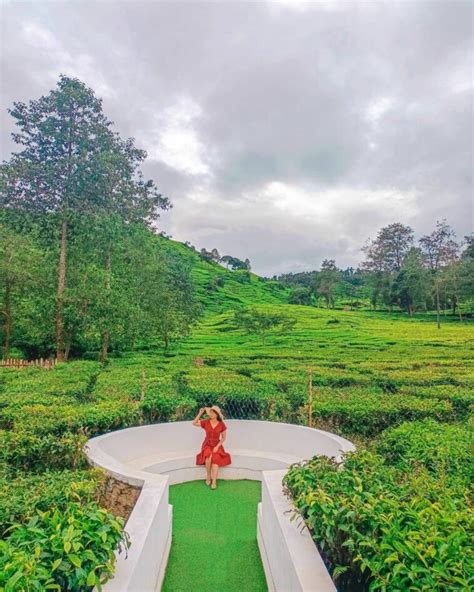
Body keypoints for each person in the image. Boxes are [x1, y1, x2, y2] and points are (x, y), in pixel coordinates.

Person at [193, 405, 231, 489]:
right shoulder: (206, 422)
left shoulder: (221, 424)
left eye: (213, 413)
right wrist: (200, 413)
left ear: (217, 414)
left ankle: (214, 481)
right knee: (208, 456)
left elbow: (224, 438)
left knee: (216, 459)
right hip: (207, 444)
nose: (211, 414)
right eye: (210, 412)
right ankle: (208, 476)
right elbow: (194, 423)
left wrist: (217, 446)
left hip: (217, 445)